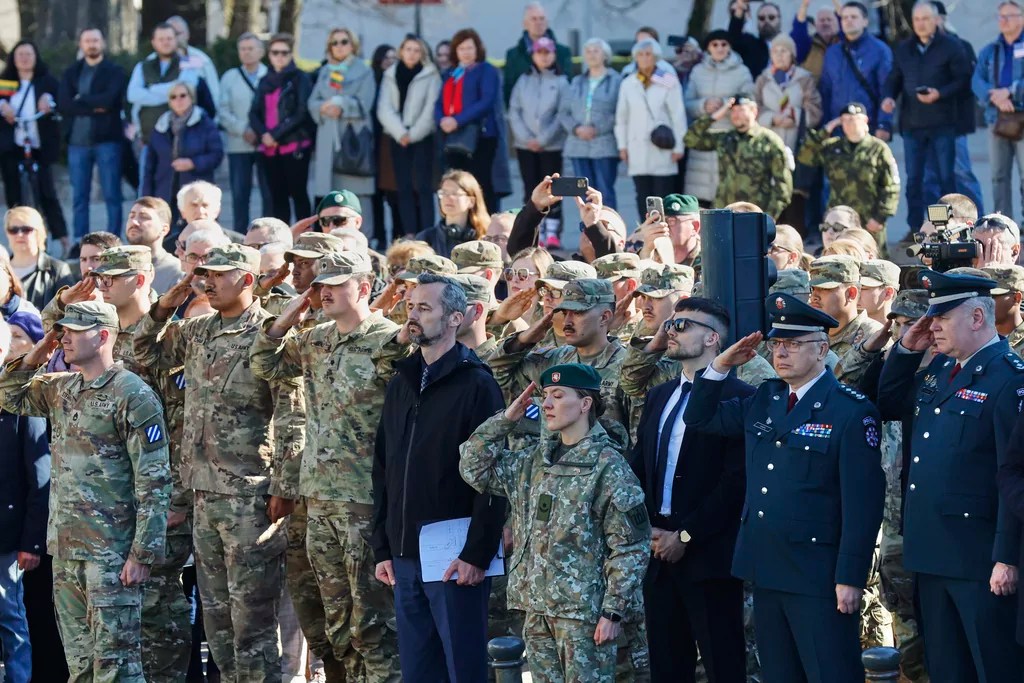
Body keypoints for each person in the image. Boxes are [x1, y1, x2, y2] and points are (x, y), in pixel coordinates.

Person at [683, 293, 884, 683]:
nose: (782, 353)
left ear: (822, 349)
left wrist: (850, 576)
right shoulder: (766, 398)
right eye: (777, 344)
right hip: (767, 565)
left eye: (794, 344)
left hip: (818, 574)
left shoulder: (850, 409)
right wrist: (720, 366)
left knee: (831, 672)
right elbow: (699, 418)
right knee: (779, 674)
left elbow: (863, 504)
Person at [133, 245, 304, 682]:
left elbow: (292, 412)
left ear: (247, 280)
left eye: (218, 275)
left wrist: (285, 486)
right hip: (202, 495)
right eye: (203, 273)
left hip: (251, 495)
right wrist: (164, 307)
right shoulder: (197, 330)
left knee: (253, 624)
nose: (206, 282)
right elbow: (143, 352)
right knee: (218, 623)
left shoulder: (270, 333)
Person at [252, 251, 407, 682]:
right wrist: (285, 319)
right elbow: (263, 363)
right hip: (318, 499)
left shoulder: (389, 340)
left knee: (374, 623)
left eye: (336, 284)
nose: (324, 292)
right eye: (320, 285)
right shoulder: (315, 339)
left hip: (363, 500)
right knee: (336, 624)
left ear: (364, 286)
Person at [0, 300, 171, 682]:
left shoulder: (133, 394)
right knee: (81, 667)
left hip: (112, 553)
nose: (66, 337)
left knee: (117, 666)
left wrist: (142, 553)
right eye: (64, 330)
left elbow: (155, 478)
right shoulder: (61, 388)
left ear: (104, 336)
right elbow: (9, 393)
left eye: (76, 330)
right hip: (67, 549)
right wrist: (41, 348)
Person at [460, 362, 650, 681]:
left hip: (586, 615)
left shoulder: (608, 466)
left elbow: (631, 547)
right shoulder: (535, 462)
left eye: (558, 396)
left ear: (585, 403)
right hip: (537, 608)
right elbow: (472, 465)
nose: (546, 404)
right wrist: (505, 420)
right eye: (545, 396)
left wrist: (613, 611)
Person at [879, 269, 1024, 681]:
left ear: (978, 318)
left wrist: (1007, 557)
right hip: (930, 552)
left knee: (992, 667)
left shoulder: (1009, 379)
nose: (932, 325)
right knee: (946, 670)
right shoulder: (941, 372)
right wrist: (906, 349)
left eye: (942, 317)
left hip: (980, 561)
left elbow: (1012, 476)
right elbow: (888, 402)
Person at [371, 273, 505, 681]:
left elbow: (495, 476)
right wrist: (382, 547)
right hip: (404, 555)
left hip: (454, 557)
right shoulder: (402, 381)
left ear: (454, 319)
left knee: (462, 668)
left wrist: (476, 555)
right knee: (418, 671)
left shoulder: (477, 384)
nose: (413, 316)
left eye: (425, 308)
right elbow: (383, 468)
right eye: (411, 307)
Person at [626, 298, 752, 682]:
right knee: (666, 667)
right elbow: (640, 466)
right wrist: (646, 528)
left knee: (723, 665)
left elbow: (735, 483)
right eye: (670, 324)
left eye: (683, 326)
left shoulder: (741, 398)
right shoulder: (659, 395)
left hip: (709, 555)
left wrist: (685, 534)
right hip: (658, 551)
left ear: (712, 338)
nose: (670, 331)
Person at [882, 1, 972, 231]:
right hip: (912, 125)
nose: (921, 24)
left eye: (925, 19)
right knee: (914, 181)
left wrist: (940, 93)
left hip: (943, 123)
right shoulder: (903, 49)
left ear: (936, 20)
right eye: (917, 20)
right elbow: (894, 79)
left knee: (945, 180)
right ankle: (915, 229)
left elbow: (963, 80)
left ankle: (947, 228)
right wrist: (889, 97)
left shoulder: (952, 46)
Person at [0, 315, 48, 683]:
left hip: (7, 537)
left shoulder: (21, 400)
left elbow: (39, 475)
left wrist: (32, 540)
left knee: (11, 622)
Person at [797, 102, 900, 255]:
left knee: (875, 264)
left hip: (869, 220)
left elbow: (891, 186)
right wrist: (826, 129)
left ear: (865, 120)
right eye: (844, 120)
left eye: (853, 119)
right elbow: (805, 156)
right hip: (839, 222)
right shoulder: (833, 147)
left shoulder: (878, 149)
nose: (849, 124)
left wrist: (880, 217)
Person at [58, 28, 126, 241]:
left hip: (108, 141)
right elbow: (64, 105)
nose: (92, 44)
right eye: (87, 41)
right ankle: (81, 240)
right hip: (77, 143)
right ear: (81, 44)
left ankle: (113, 240)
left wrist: (81, 99)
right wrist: (93, 105)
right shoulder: (71, 72)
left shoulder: (114, 71)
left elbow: (110, 100)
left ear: (103, 43)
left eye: (95, 40)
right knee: (79, 197)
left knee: (112, 195)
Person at [0, 40, 68, 251]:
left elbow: (58, 99)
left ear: (36, 56)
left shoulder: (46, 81)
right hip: (13, 146)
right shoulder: (7, 81)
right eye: (20, 54)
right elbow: (1, 98)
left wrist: (49, 101)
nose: (24, 58)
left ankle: (64, 241)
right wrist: (3, 105)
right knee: (14, 195)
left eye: (28, 54)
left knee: (47, 193)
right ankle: (17, 242)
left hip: (40, 145)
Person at [309, 28, 376, 233]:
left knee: (357, 192)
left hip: (352, 138)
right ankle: (331, 237)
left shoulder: (364, 71)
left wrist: (342, 105)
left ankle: (363, 239)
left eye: (344, 41)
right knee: (332, 195)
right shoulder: (325, 71)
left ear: (353, 44)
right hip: (328, 139)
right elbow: (312, 101)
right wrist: (322, 107)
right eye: (334, 42)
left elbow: (366, 101)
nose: (339, 46)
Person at [684, 95, 793, 219]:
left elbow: (783, 185)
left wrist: (768, 217)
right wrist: (716, 116)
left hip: (754, 213)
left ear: (754, 111)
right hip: (724, 212)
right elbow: (690, 139)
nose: (736, 115)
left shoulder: (770, 141)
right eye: (733, 111)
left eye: (741, 110)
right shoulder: (725, 138)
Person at [755, 34, 821, 231]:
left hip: (795, 143)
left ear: (792, 54)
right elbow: (754, 107)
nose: (779, 55)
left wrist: (795, 116)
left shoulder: (804, 79)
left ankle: (795, 237)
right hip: (769, 142)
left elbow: (815, 109)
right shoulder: (763, 79)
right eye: (775, 51)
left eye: (784, 50)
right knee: (772, 191)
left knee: (795, 193)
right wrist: (771, 118)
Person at [377, 35, 441, 238]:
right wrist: (400, 133)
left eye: (416, 50)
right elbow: (384, 108)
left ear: (422, 53)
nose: (412, 53)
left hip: (421, 138)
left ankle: (427, 234)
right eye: (408, 49)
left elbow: (431, 109)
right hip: (398, 137)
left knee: (423, 188)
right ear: (401, 51)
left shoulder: (431, 75)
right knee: (403, 188)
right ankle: (410, 233)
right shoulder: (390, 74)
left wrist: (412, 135)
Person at [616, 39, 687, 220]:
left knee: (663, 193)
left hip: (663, 145)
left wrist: (679, 146)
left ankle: (665, 231)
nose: (645, 58)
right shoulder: (628, 83)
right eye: (640, 54)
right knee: (642, 194)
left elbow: (678, 114)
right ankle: (645, 231)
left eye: (648, 54)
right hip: (636, 146)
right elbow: (622, 117)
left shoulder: (668, 81)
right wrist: (622, 146)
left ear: (656, 57)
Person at [436, 28, 506, 213]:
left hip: (481, 137)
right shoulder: (451, 73)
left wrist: (457, 120)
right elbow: (439, 102)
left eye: (470, 48)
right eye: (461, 48)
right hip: (454, 139)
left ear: (477, 49)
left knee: (482, 184)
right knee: (458, 183)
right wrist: (442, 120)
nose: (466, 52)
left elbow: (486, 101)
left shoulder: (486, 70)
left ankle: (487, 225)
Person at [509, 36, 570, 248]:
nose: (544, 57)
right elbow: (514, 110)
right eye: (539, 52)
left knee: (554, 188)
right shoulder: (523, 81)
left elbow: (562, 113)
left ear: (554, 54)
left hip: (551, 145)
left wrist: (543, 139)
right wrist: (526, 138)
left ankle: (553, 232)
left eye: (547, 52)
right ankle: (535, 229)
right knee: (530, 188)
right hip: (526, 146)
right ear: (533, 55)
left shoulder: (561, 82)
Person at [683, 31, 754, 210]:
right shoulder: (698, 71)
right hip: (702, 138)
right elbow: (686, 102)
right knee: (700, 201)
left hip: (729, 137)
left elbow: (749, 100)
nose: (720, 48)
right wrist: (703, 105)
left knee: (728, 200)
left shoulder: (742, 71)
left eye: (724, 44)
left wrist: (724, 105)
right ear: (708, 48)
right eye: (715, 44)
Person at [250, 33, 314, 224]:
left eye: (284, 53)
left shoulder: (300, 78)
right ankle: (282, 241)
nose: (280, 56)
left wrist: (276, 134)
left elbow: (301, 112)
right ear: (269, 55)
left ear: (291, 54)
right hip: (269, 148)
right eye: (275, 52)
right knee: (277, 198)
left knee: (299, 195)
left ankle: (306, 240)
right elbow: (254, 113)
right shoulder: (264, 80)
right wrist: (264, 135)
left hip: (294, 146)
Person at [127, 23, 215, 153]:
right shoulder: (142, 66)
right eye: (161, 39)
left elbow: (187, 89)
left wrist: (151, 90)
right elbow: (133, 95)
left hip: (183, 139)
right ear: (154, 42)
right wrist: (171, 92)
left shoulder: (189, 62)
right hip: (149, 138)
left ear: (176, 40)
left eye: (169, 38)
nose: (165, 43)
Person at [974, 1, 1024, 222]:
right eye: (1000, 16)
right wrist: (993, 95)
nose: (1003, 21)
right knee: (998, 176)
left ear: (1021, 18)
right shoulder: (991, 49)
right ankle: (1004, 223)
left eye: (1009, 16)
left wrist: (1011, 92)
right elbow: (976, 80)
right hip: (997, 119)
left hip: (1022, 116)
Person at [142, 81, 224, 214]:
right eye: (173, 97)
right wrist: (146, 198)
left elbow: (217, 155)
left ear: (191, 98)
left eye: (182, 95)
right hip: (164, 192)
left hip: (197, 195)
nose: (178, 100)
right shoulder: (160, 126)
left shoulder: (205, 124)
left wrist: (193, 163)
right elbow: (149, 166)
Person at [561, 38, 623, 213]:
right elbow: (563, 112)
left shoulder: (616, 81)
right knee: (583, 194)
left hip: (604, 145)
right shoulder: (576, 82)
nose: (591, 54)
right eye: (588, 51)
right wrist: (576, 129)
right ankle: (589, 234)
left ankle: (611, 231)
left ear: (605, 55)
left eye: (596, 50)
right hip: (578, 146)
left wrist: (597, 129)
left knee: (605, 192)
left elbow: (620, 111)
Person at [219, 32, 271, 234]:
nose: (247, 53)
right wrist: (243, 129)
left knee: (269, 193)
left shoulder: (270, 75)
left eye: (251, 48)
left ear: (261, 51)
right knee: (240, 194)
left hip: (266, 143)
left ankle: (267, 235)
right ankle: (240, 236)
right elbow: (222, 110)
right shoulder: (230, 77)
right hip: (238, 143)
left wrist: (261, 132)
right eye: (243, 49)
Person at [819, 2, 893, 137]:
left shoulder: (880, 50)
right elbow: (826, 91)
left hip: (867, 127)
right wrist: (826, 125)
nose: (849, 21)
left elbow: (887, 90)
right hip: (838, 127)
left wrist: (884, 124)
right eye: (845, 18)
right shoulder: (832, 53)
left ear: (865, 21)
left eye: (854, 17)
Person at [4, 206, 75, 310]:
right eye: (13, 230)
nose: (19, 234)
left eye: (26, 229)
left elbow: (69, 312)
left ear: (39, 232)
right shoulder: (2, 270)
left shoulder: (58, 270)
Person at [502, 2, 573, 105]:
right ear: (525, 24)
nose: (538, 22)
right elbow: (509, 91)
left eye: (542, 18)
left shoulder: (563, 53)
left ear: (547, 23)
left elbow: (567, 90)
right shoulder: (513, 55)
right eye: (534, 19)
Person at [416, 169, 489, 258]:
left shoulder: (485, 238)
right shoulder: (425, 239)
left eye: (455, 194)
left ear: (471, 201)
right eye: (444, 193)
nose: (448, 198)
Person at [125, 197, 185, 294]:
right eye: (131, 216)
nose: (134, 222)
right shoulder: (113, 266)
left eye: (144, 217)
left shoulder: (176, 272)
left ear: (164, 229)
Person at [165, 15, 221, 102]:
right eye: (170, 35)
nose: (174, 38)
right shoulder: (152, 61)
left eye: (178, 34)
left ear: (187, 35)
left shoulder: (201, 60)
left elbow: (214, 92)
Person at [728, 0, 783, 76]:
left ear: (779, 19)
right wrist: (740, 10)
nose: (766, 21)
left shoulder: (789, 44)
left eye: (771, 17)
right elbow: (733, 40)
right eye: (761, 18)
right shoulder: (752, 44)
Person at [792, 0, 841, 79]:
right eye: (822, 20)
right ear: (815, 25)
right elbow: (799, 29)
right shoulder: (808, 44)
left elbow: (845, 19)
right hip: (812, 90)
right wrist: (804, 5)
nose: (826, 23)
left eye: (829, 19)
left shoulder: (844, 43)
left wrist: (836, 2)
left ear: (837, 23)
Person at [858, 259, 901, 325]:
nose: (855, 295)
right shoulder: (846, 331)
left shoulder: (905, 332)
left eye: (863, 288)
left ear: (888, 293)